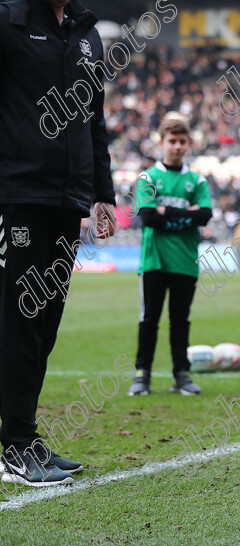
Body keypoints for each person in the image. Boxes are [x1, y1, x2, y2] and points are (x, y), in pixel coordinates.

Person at [0, 0, 116, 486]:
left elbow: (94, 120)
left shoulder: (89, 34)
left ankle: (22, 437)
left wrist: (103, 194)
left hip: (68, 199)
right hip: (17, 193)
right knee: (20, 322)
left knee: (44, 327)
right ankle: (15, 446)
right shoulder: (8, 20)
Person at [128, 114, 212, 397]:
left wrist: (168, 212)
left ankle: (181, 375)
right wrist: (185, 214)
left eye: (182, 142)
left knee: (180, 321)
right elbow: (149, 216)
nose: (177, 146)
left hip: (185, 262)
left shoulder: (196, 180)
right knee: (149, 319)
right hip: (153, 260)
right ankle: (142, 375)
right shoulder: (148, 177)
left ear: (189, 144)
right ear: (162, 142)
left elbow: (204, 215)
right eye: (171, 141)